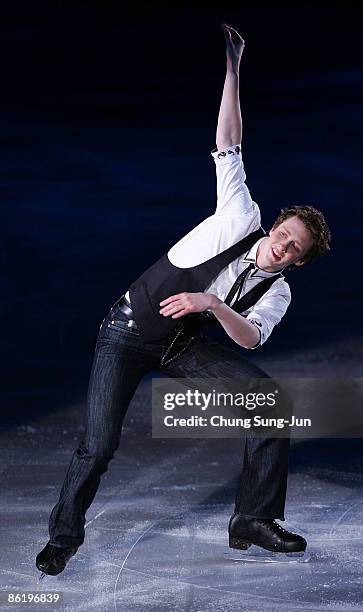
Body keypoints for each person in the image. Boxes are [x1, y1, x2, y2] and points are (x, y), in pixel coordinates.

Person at [36, 23, 331, 576]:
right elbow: (228, 142)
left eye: (295, 248)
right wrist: (233, 72)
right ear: (272, 227)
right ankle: (64, 537)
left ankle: (252, 519)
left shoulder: (279, 290)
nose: (283, 245)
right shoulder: (239, 216)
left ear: (299, 260)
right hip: (126, 333)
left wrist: (215, 306)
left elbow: (251, 336)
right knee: (98, 446)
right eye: (283, 233)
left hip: (181, 344)